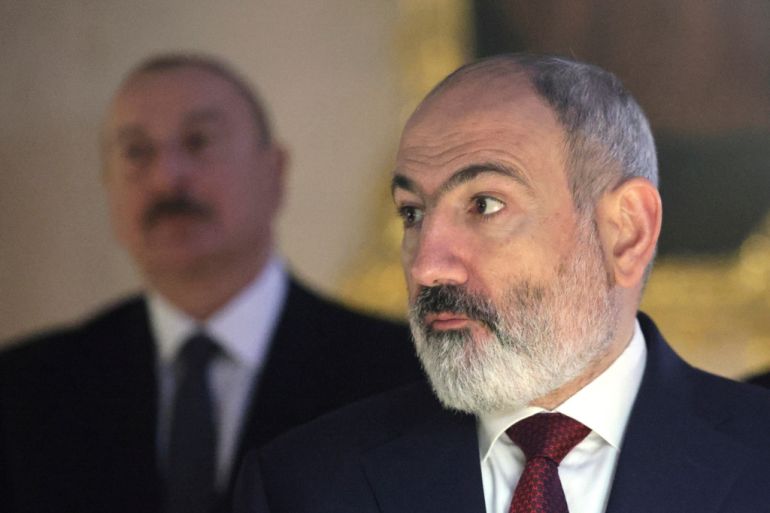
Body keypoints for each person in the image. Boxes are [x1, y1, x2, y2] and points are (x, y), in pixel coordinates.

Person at [233, 53, 770, 513]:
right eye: (413, 213)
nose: (427, 267)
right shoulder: (303, 485)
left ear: (626, 232)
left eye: (484, 205)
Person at [0, 53, 423, 513]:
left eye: (198, 142)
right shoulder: (26, 390)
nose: (167, 178)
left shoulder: (400, 377)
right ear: (109, 188)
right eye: (137, 152)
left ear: (274, 172)